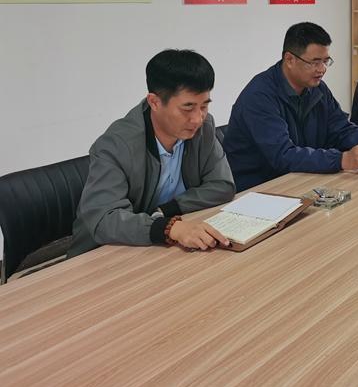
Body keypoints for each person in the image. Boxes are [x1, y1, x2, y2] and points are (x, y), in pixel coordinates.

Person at [68, 50, 236, 258]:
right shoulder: (116, 145)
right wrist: (169, 228)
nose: (197, 119)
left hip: (161, 248)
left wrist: (168, 210)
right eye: (187, 108)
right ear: (154, 102)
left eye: (204, 106)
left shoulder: (203, 128)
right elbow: (104, 219)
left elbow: (222, 185)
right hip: (105, 254)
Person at [224, 22, 358, 190]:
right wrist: (342, 160)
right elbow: (283, 155)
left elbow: (341, 130)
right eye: (314, 62)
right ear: (289, 59)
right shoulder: (259, 96)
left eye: (325, 61)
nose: (322, 69)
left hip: (301, 178)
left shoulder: (318, 89)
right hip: (258, 187)